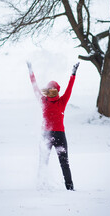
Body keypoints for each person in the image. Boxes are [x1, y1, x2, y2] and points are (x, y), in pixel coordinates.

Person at [27, 61, 80, 190]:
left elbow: (70, 88)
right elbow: (34, 86)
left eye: (54, 89)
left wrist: (73, 74)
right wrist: (30, 71)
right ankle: (40, 185)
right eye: (50, 88)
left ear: (57, 90)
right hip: (47, 134)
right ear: (47, 90)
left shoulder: (62, 101)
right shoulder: (43, 100)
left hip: (59, 135)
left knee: (64, 163)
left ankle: (69, 187)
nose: (52, 90)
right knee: (43, 161)